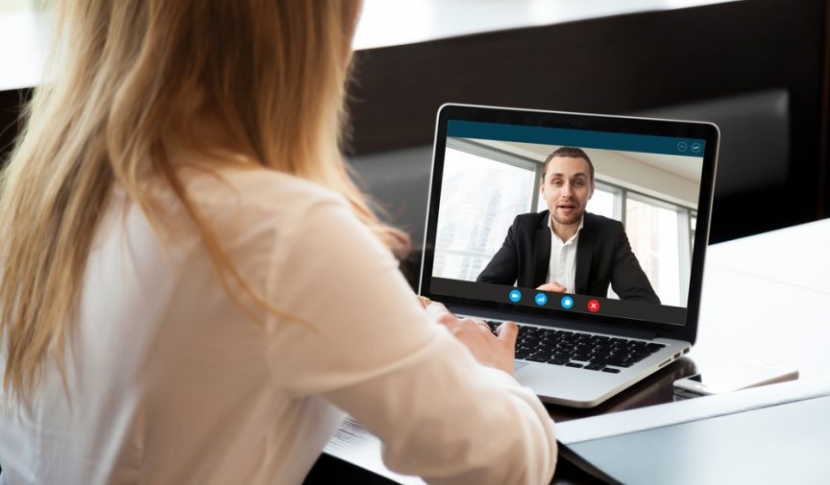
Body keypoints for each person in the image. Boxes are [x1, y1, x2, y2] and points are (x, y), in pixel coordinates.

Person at [0, 1, 556, 484]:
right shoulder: (282, 231)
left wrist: (382, 334)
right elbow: (501, 466)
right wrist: (482, 373)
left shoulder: (46, 195)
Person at [477, 147, 660, 304]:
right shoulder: (523, 228)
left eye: (578, 183)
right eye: (557, 182)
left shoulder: (610, 233)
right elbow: (484, 290)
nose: (567, 193)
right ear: (543, 189)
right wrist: (530, 300)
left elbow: (646, 303)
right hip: (528, 329)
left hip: (586, 335)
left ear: (591, 190)